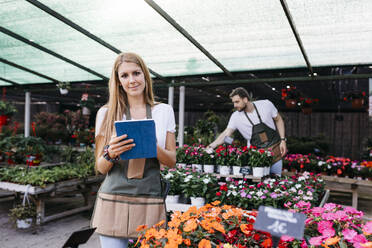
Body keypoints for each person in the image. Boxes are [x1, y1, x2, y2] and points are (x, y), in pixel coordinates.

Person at [91, 52, 176, 248]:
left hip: (149, 201)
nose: (132, 80)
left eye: (136, 73)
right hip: (113, 200)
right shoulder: (106, 113)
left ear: (145, 75)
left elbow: (171, 160)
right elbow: (100, 168)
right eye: (125, 75)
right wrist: (110, 153)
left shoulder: (163, 111)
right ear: (118, 81)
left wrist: (151, 146)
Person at [207, 87, 287, 175]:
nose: (234, 105)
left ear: (245, 99)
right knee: (256, 184)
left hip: (274, 152)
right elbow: (226, 133)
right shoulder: (235, 117)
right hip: (256, 158)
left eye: (237, 102)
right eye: (233, 102)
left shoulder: (266, 105)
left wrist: (283, 140)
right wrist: (211, 146)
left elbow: (278, 119)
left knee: (275, 182)